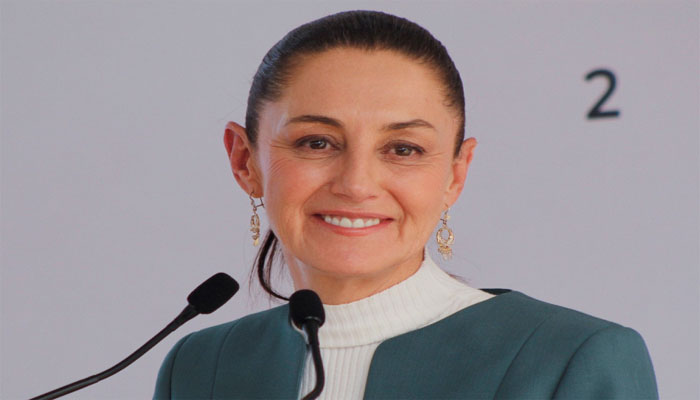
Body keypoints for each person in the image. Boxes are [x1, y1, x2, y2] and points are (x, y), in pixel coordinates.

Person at [153, 10, 658, 399]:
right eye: (317, 143)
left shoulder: (572, 359)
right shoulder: (199, 367)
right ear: (245, 161)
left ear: (455, 174)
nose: (356, 184)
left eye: (403, 149)